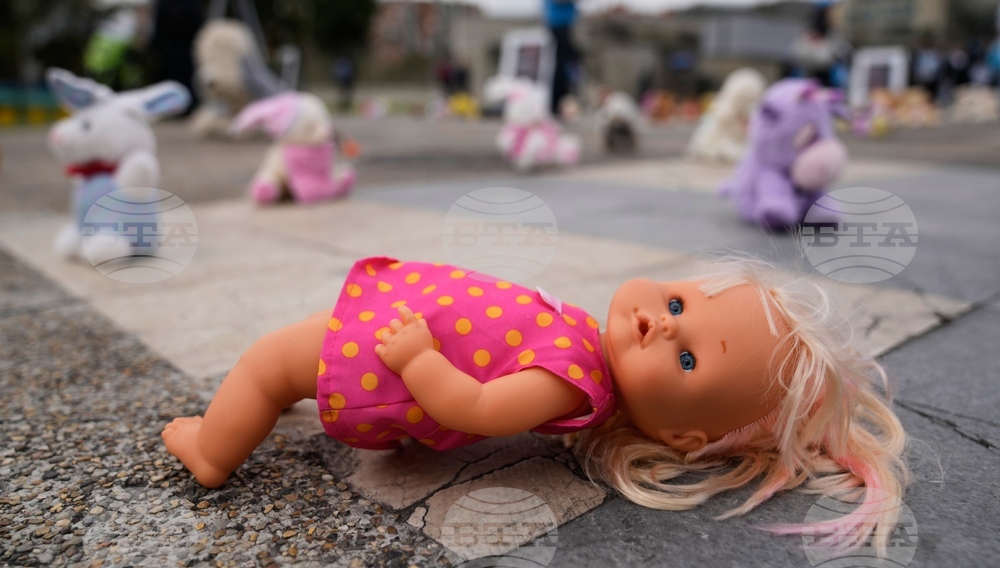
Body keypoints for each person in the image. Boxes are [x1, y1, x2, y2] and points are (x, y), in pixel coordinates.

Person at [163, 255, 909, 554]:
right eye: (679, 300)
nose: (664, 319)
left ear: (680, 434)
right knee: (280, 367)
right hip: (393, 360)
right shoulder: (587, 347)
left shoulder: (575, 377)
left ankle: (213, 450)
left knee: (267, 364)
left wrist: (419, 361)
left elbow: (482, 408)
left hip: (379, 357)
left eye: (685, 357)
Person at [542, 0, 591, 117]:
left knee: (568, 61)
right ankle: (556, 104)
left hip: (564, 21)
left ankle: (563, 102)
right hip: (557, 22)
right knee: (562, 62)